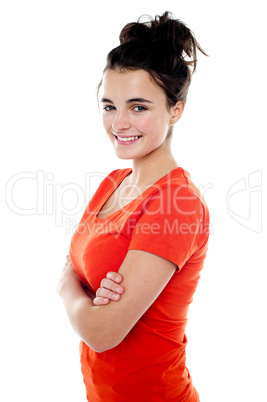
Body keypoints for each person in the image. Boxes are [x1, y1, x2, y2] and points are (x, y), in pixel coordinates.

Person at [57, 11, 209, 402]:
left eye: (138, 107)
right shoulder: (114, 183)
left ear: (175, 111)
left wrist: (68, 290)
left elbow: (102, 332)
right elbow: (73, 267)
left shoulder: (177, 202)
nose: (119, 122)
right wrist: (87, 299)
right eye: (109, 106)